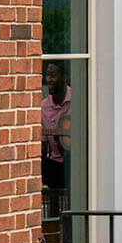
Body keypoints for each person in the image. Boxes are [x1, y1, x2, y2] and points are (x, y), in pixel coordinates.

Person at [40, 63, 71, 219]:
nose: (49, 80)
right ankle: (53, 223)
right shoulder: (44, 107)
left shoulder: (78, 100)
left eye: (53, 75)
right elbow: (43, 144)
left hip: (75, 164)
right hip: (55, 164)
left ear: (64, 77)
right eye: (47, 75)